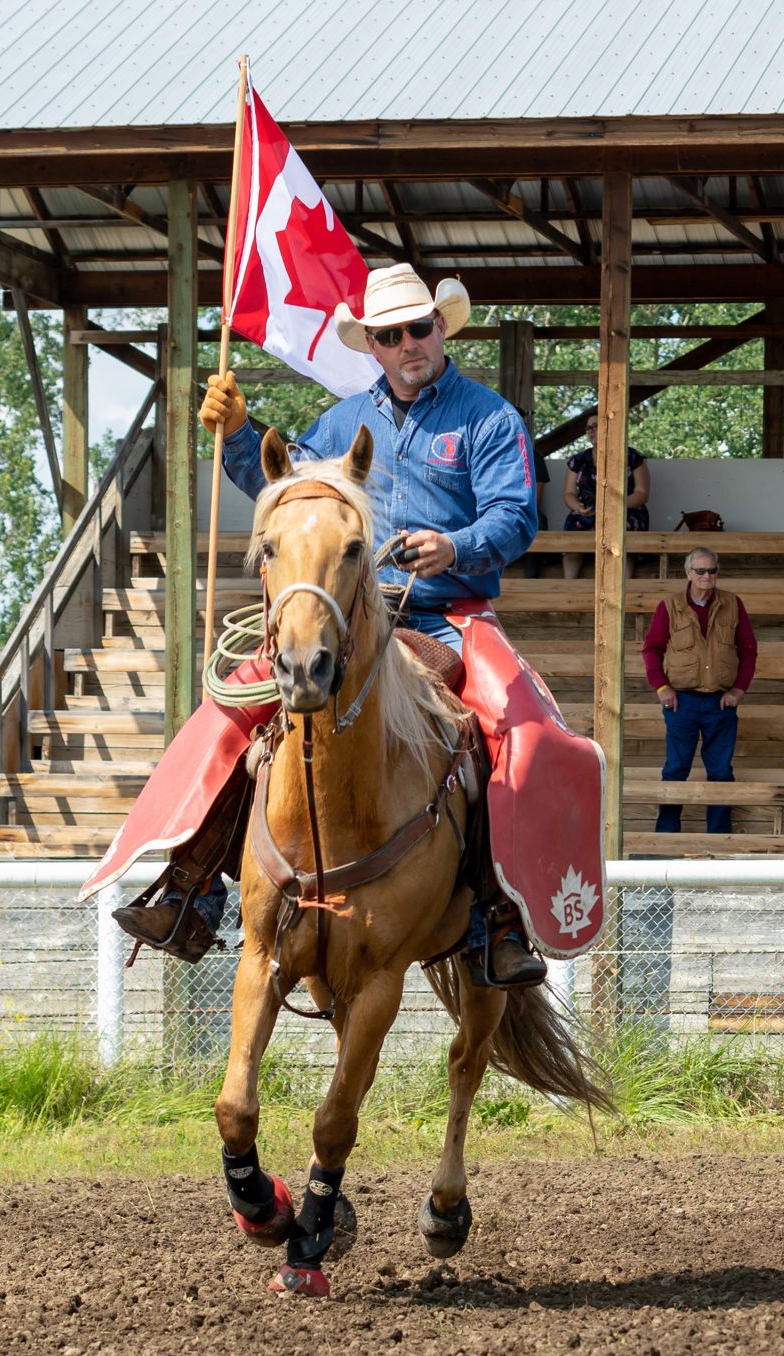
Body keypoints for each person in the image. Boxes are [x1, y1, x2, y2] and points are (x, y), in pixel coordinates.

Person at [102, 263, 568, 987]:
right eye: (391, 334)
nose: (409, 342)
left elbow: (516, 517)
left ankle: (497, 916)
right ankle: (190, 883)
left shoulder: (490, 418)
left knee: (514, 729)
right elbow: (280, 485)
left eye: (419, 327)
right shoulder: (341, 423)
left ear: (441, 327)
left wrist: (457, 545)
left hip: (447, 616)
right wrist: (235, 433)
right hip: (344, 615)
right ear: (374, 346)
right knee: (233, 707)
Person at [644, 547, 756, 835]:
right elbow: (652, 650)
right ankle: (665, 838)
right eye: (701, 571)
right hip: (682, 702)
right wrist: (662, 687)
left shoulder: (733, 604)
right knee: (676, 768)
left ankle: (719, 838)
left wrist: (739, 690)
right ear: (688, 573)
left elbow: (748, 650)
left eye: (712, 571)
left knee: (720, 772)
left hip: (721, 702)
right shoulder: (669, 606)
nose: (707, 576)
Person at [561, 412, 650, 580]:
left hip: (624, 509)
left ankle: (624, 584)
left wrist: (613, 506)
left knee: (622, 527)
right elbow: (569, 493)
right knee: (574, 523)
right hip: (589, 511)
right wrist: (577, 507)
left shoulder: (632, 457)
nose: (591, 431)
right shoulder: (579, 460)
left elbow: (642, 493)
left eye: (596, 426)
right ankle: (569, 586)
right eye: (588, 428)